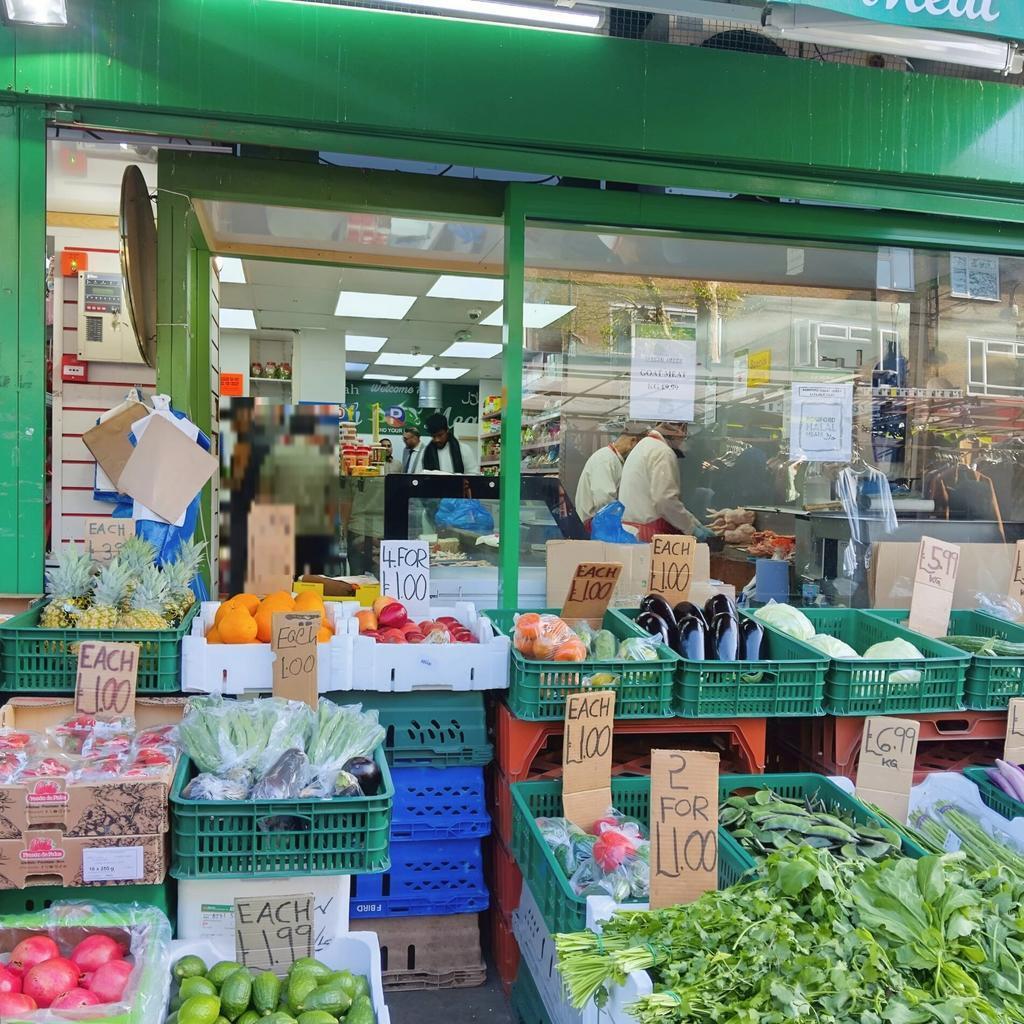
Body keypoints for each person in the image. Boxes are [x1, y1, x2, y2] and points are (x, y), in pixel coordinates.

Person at [258, 413, 338, 574]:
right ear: (314, 431)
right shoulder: (325, 456)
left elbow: (264, 493)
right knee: (316, 576)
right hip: (317, 528)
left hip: (284, 526)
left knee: (286, 576)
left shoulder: (276, 454)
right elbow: (332, 498)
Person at [620, 422, 713, 541]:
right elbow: (665, 500)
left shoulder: (643, 445)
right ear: (676, 432)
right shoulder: (663, 452)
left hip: (633, 530)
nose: (683, 441)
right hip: (650, 534)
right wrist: (692, 529)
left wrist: (694, 522)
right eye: (684, 437)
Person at [574, 422, 645, 528]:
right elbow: (603, 499)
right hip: (593, 525)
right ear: (632, 441)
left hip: (598, 522)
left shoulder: (613, 459)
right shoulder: (605, 459)